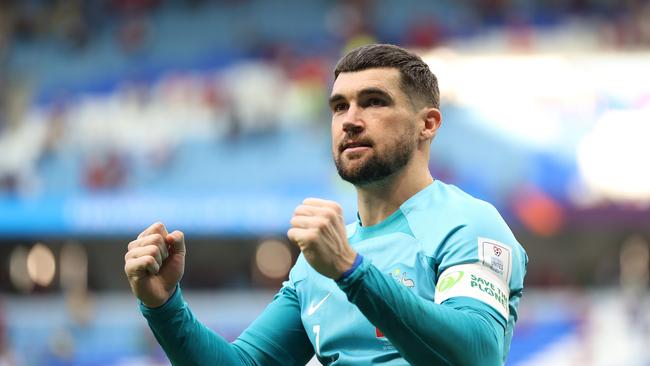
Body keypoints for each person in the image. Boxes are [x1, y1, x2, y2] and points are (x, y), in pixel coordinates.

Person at [124, 43, 528, 366]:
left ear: (428, 123)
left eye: (374, 101)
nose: (350, 119)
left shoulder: (468, 225)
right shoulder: (316, 263)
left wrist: (352, 272)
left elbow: (477, 356)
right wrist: (162, 305)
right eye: (339, 106)